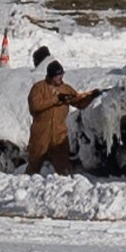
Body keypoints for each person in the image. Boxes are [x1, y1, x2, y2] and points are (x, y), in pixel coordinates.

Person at [26, 46, 101, 176]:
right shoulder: (38, 88)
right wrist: (55, 99)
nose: (60, 78)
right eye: (57, 75)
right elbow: (35, 106)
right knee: (34, 165)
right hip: (40, 134)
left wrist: (91, 96)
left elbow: (79, 102)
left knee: (63, 168)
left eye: (62, 74)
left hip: (59, 134)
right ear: (50, 76)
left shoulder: (66, 89)